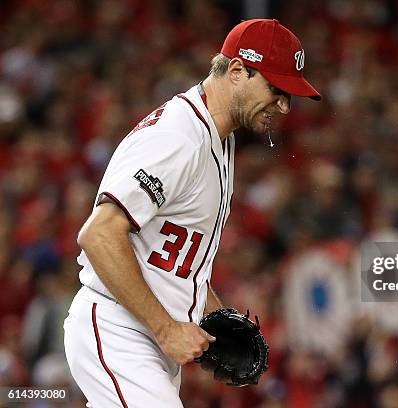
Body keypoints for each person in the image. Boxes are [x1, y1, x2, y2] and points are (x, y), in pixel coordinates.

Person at [63, 18, 320, 407]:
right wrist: (166, 328)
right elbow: (98, 234)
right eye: (276, 89)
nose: (283, 105)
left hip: (144, 339)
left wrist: (212, 314)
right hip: (117, 327)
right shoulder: (178, 136)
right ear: (237, 70)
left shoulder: (217, 137)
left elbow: (173, 257)